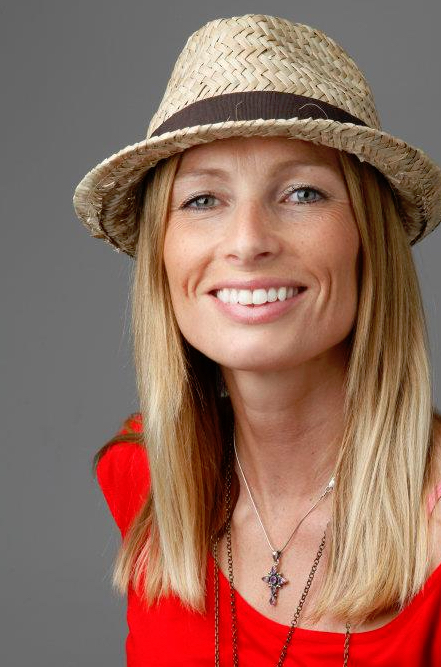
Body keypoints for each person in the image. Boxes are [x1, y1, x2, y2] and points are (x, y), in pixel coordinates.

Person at [73, 13, 441, 667]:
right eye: (202, 200)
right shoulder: (144, 477)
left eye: (302, 192)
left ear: (367, 243)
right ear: (163, 252)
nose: (247, 240)